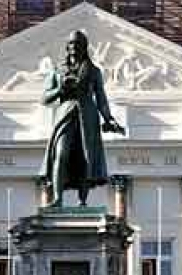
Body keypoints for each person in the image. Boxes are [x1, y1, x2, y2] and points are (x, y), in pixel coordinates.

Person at [39, 30, 125, 207]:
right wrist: (60, 90)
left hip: (88, 116)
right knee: (61, 154)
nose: (74, 47)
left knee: (86, 156)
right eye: (71, 44)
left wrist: (109, 119)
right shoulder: (58, 70)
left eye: (78, 44)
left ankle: (82, 200)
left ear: (84, 47)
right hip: (65, 114)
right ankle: (57, 198)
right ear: (67, 47)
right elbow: (45, 98)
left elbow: (101, 98)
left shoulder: (93, 71)